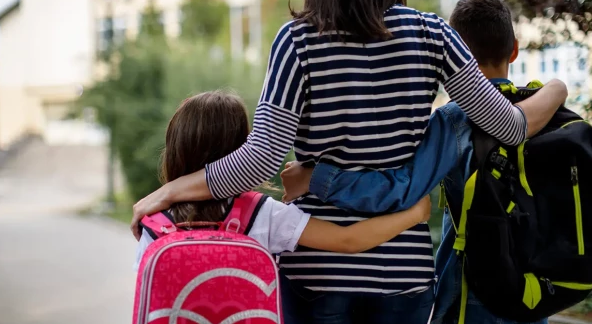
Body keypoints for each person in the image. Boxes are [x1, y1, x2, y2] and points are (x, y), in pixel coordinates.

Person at [131, 0, 566, 324]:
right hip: (402, 270)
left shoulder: (296, 42)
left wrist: (170, 190)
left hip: (317, 274)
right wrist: (558, 88)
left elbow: (260, 161)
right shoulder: (433, 35)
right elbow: (510, 127)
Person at [280, 0, 559, 324]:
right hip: (538, 291)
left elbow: (403, 188)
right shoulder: (547, 111)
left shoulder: (456, 121)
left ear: (459, 57)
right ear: (515, 50)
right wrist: (557, 88)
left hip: (477, 289)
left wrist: (315, 177)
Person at [133, 90, 431, 269]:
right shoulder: (262, 214)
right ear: (241, 150)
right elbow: (348, 240)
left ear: (176, 150)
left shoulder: (155, 224)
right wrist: (415, 213)